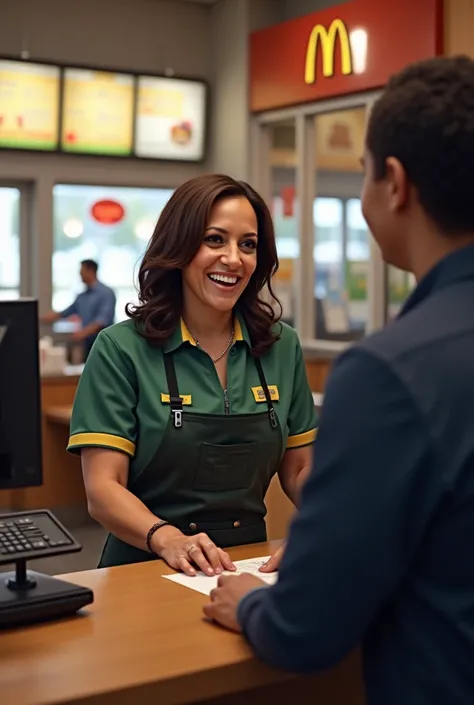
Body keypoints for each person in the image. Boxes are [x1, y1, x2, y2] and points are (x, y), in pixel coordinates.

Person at [204, 56, 474, 705]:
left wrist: (248, 603)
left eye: (362, 173)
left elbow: (305, 632)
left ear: (395, 184)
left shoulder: (390, 370)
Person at [67, 174, 317, 573]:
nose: (233, 259)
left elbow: (302, 468)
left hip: (249, 566)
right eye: (215, 239)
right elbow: (103, 488)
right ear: (180, 247)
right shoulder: (121, 348)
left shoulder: (280, 345)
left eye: (247, 245)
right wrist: (171, 540)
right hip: (144, 564)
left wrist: (326, 524)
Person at [41, 259, 116, 359]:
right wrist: (38, 318)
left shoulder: (106, 293)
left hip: (104, 345)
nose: (80, 274)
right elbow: (64, 313)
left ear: (91, 271)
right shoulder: (82, 297)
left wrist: (83, 333)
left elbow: (102, 320)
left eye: (82, 271)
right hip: (87, 345)